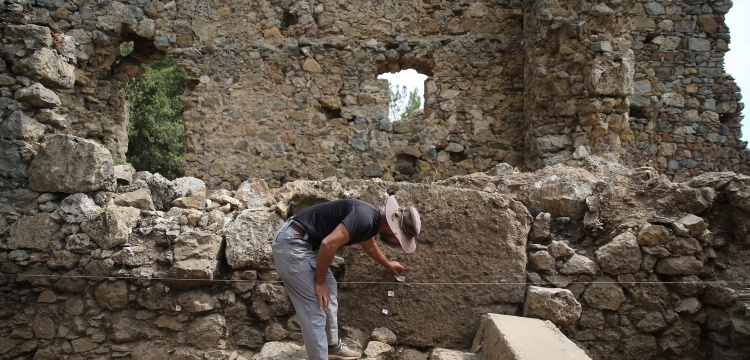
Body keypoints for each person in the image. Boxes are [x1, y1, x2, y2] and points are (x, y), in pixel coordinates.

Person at [271, 195, 421, 360]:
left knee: (330, 290)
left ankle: (331, 345)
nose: (395, 241)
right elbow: (328, 244)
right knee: (315, 306)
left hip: (304, 244)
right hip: (292, 245)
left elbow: (369, 245)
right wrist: (318, 282)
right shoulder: (364, 218)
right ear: (393, 229)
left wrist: (388, 264)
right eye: (398, 238)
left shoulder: (372, 219)